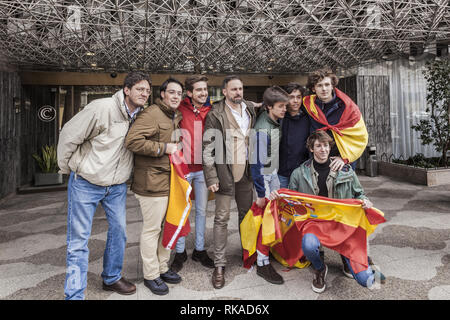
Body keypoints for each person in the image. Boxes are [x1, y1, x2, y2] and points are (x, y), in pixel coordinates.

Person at [57, 71, 151, 300]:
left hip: (116, 186)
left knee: (119, 232)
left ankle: (111, 277)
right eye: (140, 89)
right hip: (86, 183)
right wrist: (67, 168)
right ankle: (75, 294)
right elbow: (69, 135)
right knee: (78, 241)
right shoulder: (101, 108)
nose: (145, 94)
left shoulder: (141, 116)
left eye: (147, 90)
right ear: (126, 89)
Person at [269, 131, 380, 293]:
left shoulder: (345, 170)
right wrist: (277, 195)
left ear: (330, 147)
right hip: (314, 223)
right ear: (311, 149)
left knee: (365, 280)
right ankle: (320, 268)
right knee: (308, 245)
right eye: (318, 146)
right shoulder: (299, 173)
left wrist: (365, 201)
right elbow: (290, 199)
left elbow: (359, 194)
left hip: (340, 223)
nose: (323, 149)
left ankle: (345, 256)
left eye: (326, 145)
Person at [125, 78, 184, 296]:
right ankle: (151, 275)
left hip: (169, 182)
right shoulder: (151, 113)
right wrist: (164, 148)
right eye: (172, 92)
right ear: (162, 94)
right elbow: (132, 141)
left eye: (179, 93)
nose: (176, 96)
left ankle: (162, 268)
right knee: (152, 230)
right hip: (151, 183)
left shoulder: (172, 115)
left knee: (166, 227)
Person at [202, 75, 256, 289]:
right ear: (224, 92)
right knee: (221, 219)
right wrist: (211, 176)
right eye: (233, 89)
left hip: (247, 174)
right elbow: (208, 148)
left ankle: (247, 254)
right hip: (225, 174)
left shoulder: (250, 108)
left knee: (247, 216)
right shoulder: (216, 114)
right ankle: (219, 264)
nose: (238, 93)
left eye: (240, 89)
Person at [170, 75, 214, 272]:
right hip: (183, 169)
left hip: (204, 170)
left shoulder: (211, 110)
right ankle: (180, 252)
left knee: (202, 211)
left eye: (205, 89)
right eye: (199, 90)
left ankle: (199, 249)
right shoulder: (179, 109)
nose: (203, 93)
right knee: (182, 211)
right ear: (189, 93)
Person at [249, 86, 289, 284]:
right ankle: (262, 262)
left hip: (272, 172)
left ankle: (266, 252)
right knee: (265, 219)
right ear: (268, 107)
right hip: (263, 176)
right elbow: (255, 164)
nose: (284, 110)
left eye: (285, 106)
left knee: (273, 217)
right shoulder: (261, 129)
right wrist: (260, 192)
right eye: (280, 106)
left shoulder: (275, 120)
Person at [304, 68, 368, 172]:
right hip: (316, 162)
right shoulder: (308, 106)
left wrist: (343, 158)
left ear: (333, 86)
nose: (324, 89)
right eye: (319, 85)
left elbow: (361, 137)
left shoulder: (348, 108)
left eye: (327, 85)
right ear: (313, 88)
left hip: (341, 163)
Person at [278, 83, 310, 188]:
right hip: (281, 173)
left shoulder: (308, 118)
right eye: (291, 97)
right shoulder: (279, 118)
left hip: (302, 173)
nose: (295, 101)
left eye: (298, 97)